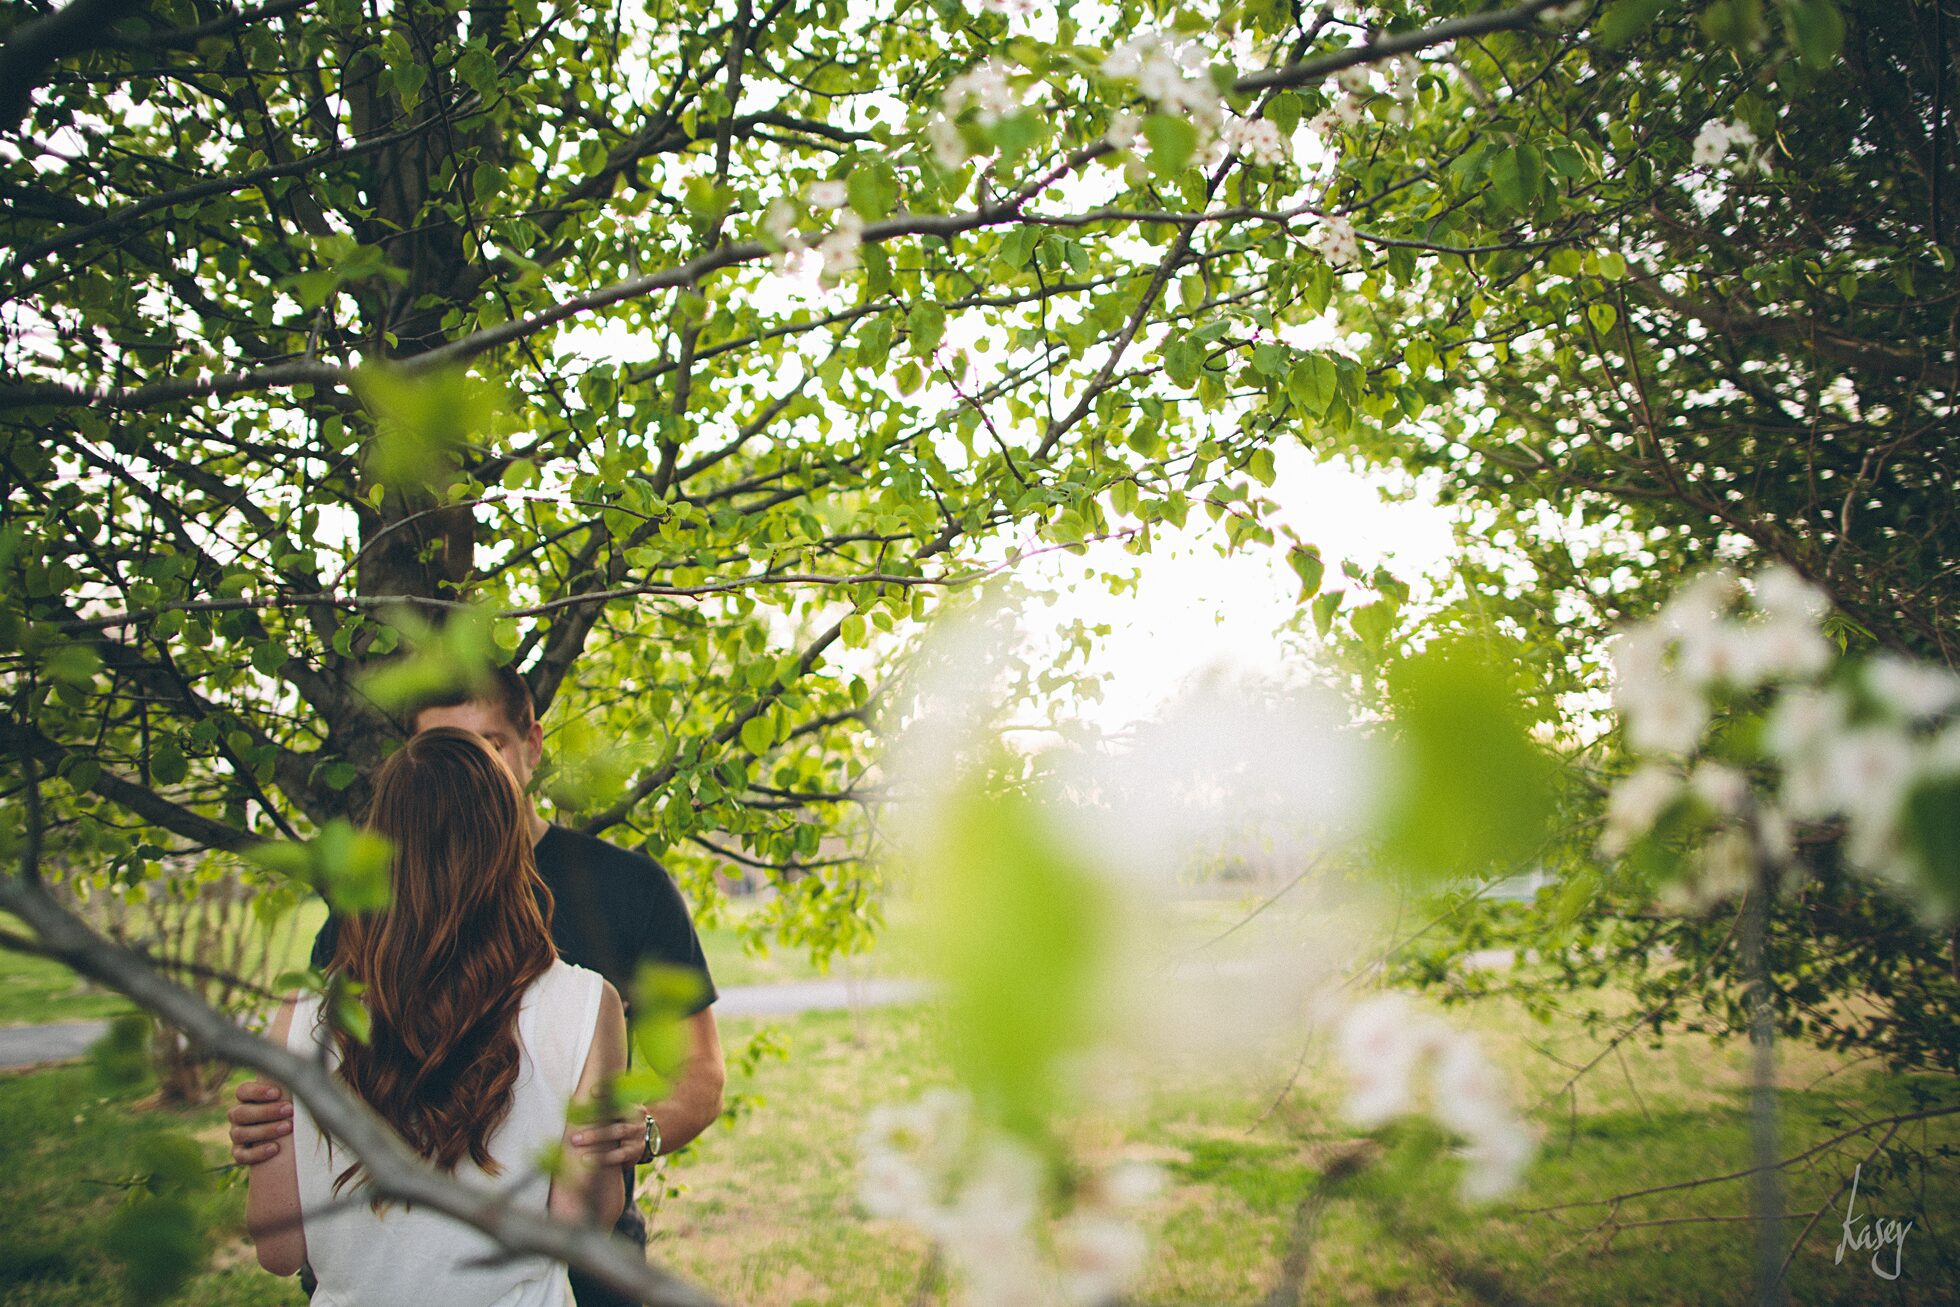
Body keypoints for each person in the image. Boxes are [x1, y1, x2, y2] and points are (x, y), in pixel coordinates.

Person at [233, 666, 726, 1307]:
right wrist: (267, 1129)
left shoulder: (629, 890)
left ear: (531, 746)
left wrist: (641, 1132)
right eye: (443, 752)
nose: (467, 770)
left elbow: (278, 1243)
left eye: (486, 746)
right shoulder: (581, 1004)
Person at [247, 727, 629, 1304]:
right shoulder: (584, 1006)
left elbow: (280, 1251)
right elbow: (576, 1228)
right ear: (508, 844)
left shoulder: (304, 1013)